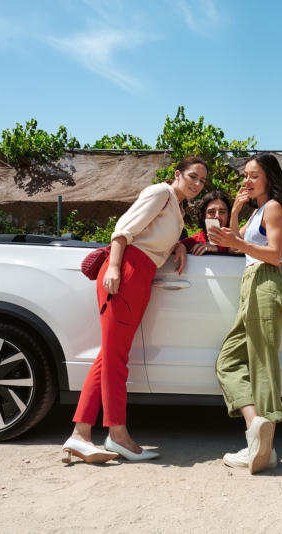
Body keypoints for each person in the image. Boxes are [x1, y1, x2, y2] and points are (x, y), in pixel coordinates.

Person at [62, 156, 207, 464]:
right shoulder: (160, 193)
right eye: (192, 176)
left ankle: (80, 435)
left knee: (110, 355)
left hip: (142, 275)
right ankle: (117, 435)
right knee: (115, 358)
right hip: (127, 270)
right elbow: (123, 231)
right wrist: (114, 267)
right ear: (177, 174)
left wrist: (180, 245)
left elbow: (159, 241)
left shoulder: (177, 208)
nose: (197, 184)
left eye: (202, 181)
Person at [207, 153, 282, 474]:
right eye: (245, 176)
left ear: (269, 179)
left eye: (253, 175)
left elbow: (273, 254)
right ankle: (257, 431)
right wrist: (234, 212)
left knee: (262, 364)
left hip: (265, 282)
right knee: (228, 362)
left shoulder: (273, 208)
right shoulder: (258, 210)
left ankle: (263, 447)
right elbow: (236, 243)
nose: (246, 181)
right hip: (252, 284)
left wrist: (238, 240)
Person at [180, 190, 234, 256]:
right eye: (211, 212)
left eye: (222, 212)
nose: (217, 216)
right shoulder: (191, 242)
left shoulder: (240, 236)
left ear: (228, 216)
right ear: (203, 216)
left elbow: (248, 248)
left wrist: (217, 249)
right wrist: (179, 247)